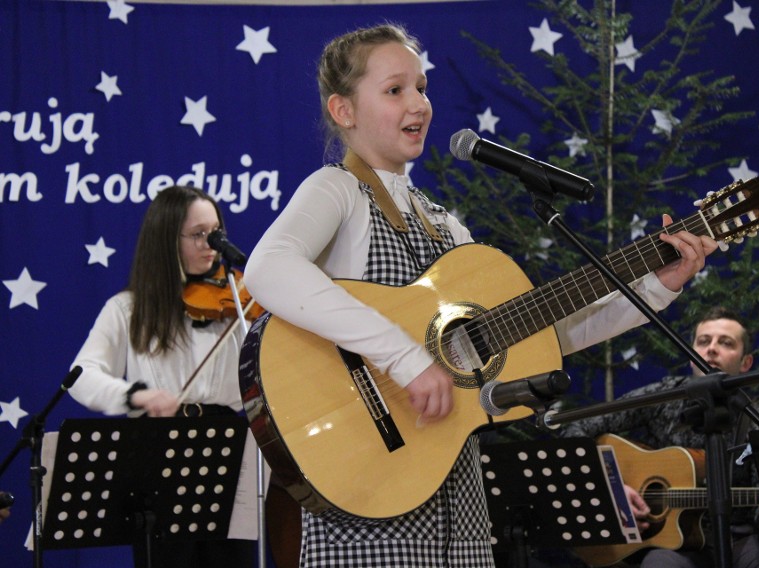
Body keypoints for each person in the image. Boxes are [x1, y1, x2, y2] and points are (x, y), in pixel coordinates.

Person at [243, 22, 716, 568]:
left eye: (421, 87)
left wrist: (656, 284)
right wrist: (406, 358)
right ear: (343, 111)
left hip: (459, 507)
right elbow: (269, 267)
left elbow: (542, 336)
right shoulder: (337, 190)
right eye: (394, 90)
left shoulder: (447, 228)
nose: (418, 102)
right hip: (370, 501)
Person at [68, 185, 255, 568]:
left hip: (228, 444)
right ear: (166, 239)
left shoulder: (239, 300)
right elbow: (82, 375)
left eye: (217, 232)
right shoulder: (128, 309)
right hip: (160, 447)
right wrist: (138, 396)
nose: (212, 245)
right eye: (198, 235)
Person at [562, 306, 759, 568]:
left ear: (745, 362)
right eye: (703, 341)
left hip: (742, 539)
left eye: (725, 343)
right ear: (692, 356)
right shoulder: (663, 396)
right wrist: (612, 490)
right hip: (674, 545)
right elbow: (574, 430)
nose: (712, 349)